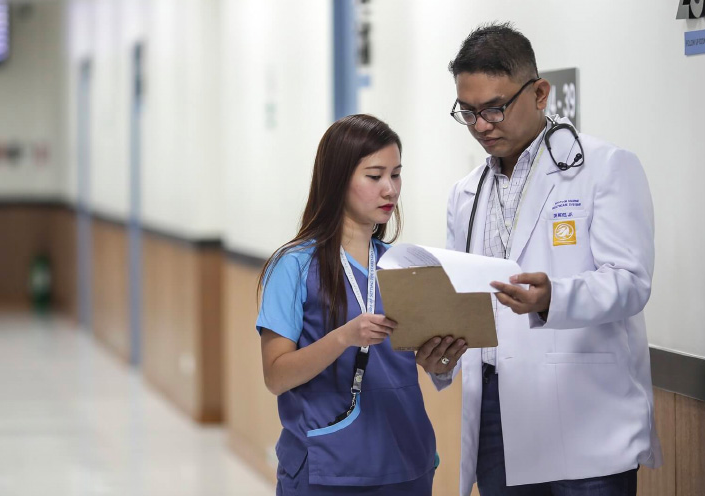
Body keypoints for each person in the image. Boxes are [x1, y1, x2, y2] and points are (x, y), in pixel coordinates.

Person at [422, 22, 663, 496]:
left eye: (494, 108)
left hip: (586, 416)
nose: (481, 126)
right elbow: (464, 299)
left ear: (539, 93)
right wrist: (440, 355)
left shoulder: (604, 168)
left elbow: (632, 282)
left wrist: (555, 297)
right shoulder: (465, 194)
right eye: (467, 113)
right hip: (496, 413)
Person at [256, 114, 463, 495]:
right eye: (375, 176)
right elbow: (276, 376)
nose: (390, 190)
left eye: (396, 174)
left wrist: (441, 360)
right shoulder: (294, 266)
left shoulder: (404, 264)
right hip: (328, 468)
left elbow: (419, 363)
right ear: (338, 181)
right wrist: (344, 338)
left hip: (406, 463)